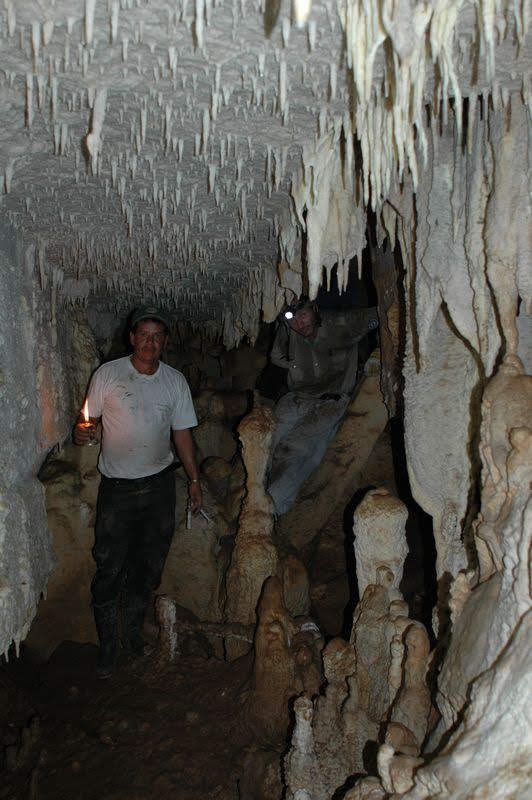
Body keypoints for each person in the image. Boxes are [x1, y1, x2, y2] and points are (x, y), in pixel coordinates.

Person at [74, 305, 202, 678]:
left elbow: (183, 434)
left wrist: (193, 480)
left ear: (164, 342)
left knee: (148, 567)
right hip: (118, 489)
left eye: (157, 336)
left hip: (159, 486)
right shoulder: (108, 375)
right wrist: (82, 433)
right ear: (132, 338)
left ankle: (131, 635)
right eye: (143, 334)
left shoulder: (174, 381)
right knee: (110, 565)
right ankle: (108, 648)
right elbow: (88, 421)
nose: (150, 342)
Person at [267, 297, 379, 515]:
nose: (299, 324)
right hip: (297, 398)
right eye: (292, 318)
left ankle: (273, 505)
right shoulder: (289, 329)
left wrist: (379, 352)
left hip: (330, 402)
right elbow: (276, 355)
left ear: (315, 308)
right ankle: (255, 490)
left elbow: (382, 312)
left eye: (303, 315)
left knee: (294, 449)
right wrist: (295, 367)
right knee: (266, 440)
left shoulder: (342, 324)